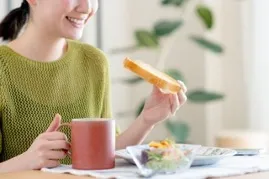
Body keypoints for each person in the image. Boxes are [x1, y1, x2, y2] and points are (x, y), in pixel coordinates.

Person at [0, 0, 187, 173]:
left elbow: (106, 152)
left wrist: (146, 120)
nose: (87, 7)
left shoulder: (94, 62)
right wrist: (27, 161)